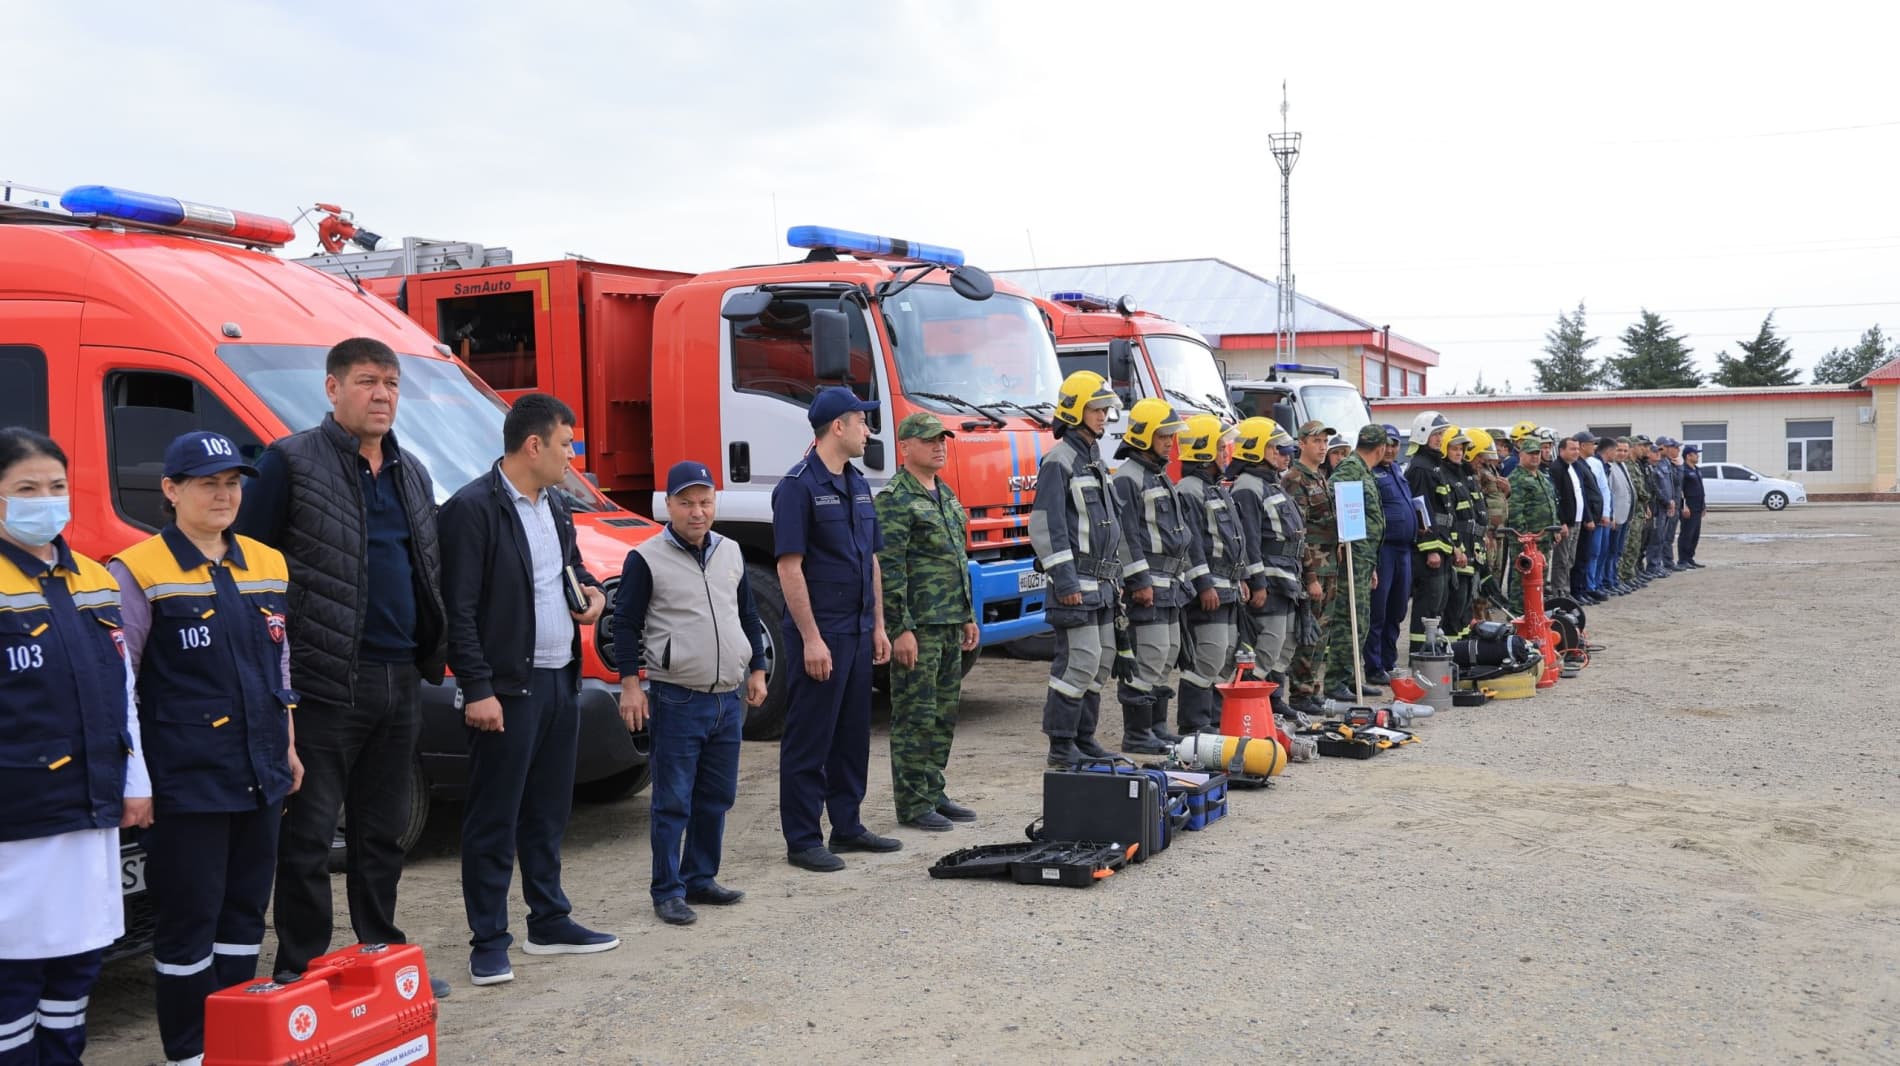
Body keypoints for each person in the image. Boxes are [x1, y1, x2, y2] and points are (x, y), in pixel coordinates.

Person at [234, 337, 450, 998]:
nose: (382, 394)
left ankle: (379, 954)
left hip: (398, 678)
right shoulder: (290, 463)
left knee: (381, 833)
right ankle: (300, 969)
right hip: (325, 681)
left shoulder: (411, 470)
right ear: (333, 390)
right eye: (366, 381)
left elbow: (425, 568)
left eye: (390, 382)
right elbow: (251, 569)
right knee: (307, 838)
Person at [109, 431, 299, 1063]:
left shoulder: (268, 562)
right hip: (187, 779)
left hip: (262, 769)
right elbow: (120, 686)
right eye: (207, 483)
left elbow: (282, 669)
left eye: (233, 483)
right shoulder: (137, 569)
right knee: (191, 920)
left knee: (245, 915)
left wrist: (291, 750)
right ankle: (190, 1051)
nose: (224, 495)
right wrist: (135, 780)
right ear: (170, 490)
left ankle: (238, 1042)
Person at [438, 394, 617, 983]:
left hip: (559, 678)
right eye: (567, 444)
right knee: (494, 816)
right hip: (506, 689)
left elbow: (569, 570)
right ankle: (488, 939)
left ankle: (549, 920)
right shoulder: (472, 509)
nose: (574, 457)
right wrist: (478, 687)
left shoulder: (557, 506)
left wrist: (590, 593)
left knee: (546, 811)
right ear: (534, 445)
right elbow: (457, 612)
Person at [0, 428, 152, 1065]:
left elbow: (122, 693)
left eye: (56, 486)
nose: (46, 500)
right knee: (15, 969)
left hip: (92, 807)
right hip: (19, 815)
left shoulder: (93, 579)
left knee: (79, 960)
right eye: (26, 489)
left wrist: (136, 781)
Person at [615, 460, 767, 925]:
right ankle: (667, 890)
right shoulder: (645, 558)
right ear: (668, 506)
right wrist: (630, 686)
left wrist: (757, 668)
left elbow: (747, 613)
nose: (697, 511)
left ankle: (700, 877)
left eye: (705, 501)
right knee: (672, 800)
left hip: (729, 695)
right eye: (686, 502)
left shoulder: (731, 552)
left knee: (716, 796)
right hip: (677, 696)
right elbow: (626, 623)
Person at [773, 387, 899, 872]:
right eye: (861, 421)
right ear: (837, 427)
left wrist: (879, 626)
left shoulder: (859, 484)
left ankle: (847, 825)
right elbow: (789, 568)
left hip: (858, 630)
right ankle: (803, 838)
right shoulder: (798, 486)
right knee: (810, 737)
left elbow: (870, 560)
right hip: (820, 633)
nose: (869, 430)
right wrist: (810, 638)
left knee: (851, 736)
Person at [873, 414, 981, 828]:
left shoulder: (945, 493)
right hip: (919, 626)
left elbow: (958, 558)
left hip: (950, 621)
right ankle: (914, 803)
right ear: (905, 447)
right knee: (915, 716)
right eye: (929, 440)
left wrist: (968, 616)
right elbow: (891, 567)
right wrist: (900, 628)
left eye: (942, 440)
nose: (939, 446)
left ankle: (933, 790)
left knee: (942, 714)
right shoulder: (896, 499)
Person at [1030, 372, 1126, 765]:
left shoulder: (1093, 459)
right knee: (1079, 661)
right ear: (1075, 411)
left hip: (1100, 584)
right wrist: (1065, 580)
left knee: (1100, 662)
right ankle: (1061, 744)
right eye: (1097, 409)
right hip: (1076, 584)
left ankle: (1084, 739)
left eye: (1105, 409)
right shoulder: (1059, 461)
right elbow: (1046, 527)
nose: (1104, 416)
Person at [1105, 400, 1192, 755]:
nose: (1170, 440)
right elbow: (1126, 535)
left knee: (1166, 653)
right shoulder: (1127, 477)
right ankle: (1138, 734)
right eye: (1163, 434)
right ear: (1143, 435)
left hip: (1169, 584)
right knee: (1149, 655)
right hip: (1150, 584)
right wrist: (1138, 580)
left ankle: (1156, 727)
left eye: (1171, 434)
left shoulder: (1154, 474)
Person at [1174, 415, 1252, 732]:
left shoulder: (1215, 489)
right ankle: (1193, 723)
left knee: (1224, 657)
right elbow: (1191, 544)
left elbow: (1236, 538)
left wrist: (1243, 577)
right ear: (1203, 450)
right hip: (1210, 591)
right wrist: (1204, 585)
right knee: (1208, 656)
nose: (1226, 453)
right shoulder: (1190, 490)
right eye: (1221, 447)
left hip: (1228, 587)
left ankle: (1216, 719)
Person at [1227, 418, 1302, 718]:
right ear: (1256, 448)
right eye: (1278, 448)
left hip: (1285, 577)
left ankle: (1272, 698)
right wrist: (1257, 581)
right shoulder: (1247, 487)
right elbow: (1250, 539)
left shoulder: (1270, 483)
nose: (1285, 454)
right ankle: (1250, 701)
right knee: (1268, 642)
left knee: (1285, 643)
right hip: (1269, 579)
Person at [1323, 425, 1385, 700]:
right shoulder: (1350, 469)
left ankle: (1350, 679)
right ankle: (1336, 681)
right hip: (1350, 557)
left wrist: (1371, 566)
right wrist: (1337, 539)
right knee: (1349, 621)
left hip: (1363, 559)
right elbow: (1329, 501)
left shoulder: (1364, 471)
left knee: (1360, 620)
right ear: (1380, 448)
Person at [1281, 420, 1336, 712]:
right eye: (1317, 441)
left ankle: (1314, 687)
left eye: (1325, 442)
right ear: (1301, 443)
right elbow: (1297, 530)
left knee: (1323, 632)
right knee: (1308, 631)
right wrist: (1309, 577)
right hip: (1312, 567)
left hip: (1331, 566)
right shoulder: (1295, 479)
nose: (1323, 447)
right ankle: (1300, 693)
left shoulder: (1320, 477)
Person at [1403, 411, 1458, 658]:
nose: (1440, 439)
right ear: (1423, 435)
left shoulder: (1433, 464)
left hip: (1442, 544)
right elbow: (1420, 510)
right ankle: (1420, 652)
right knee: (1428, 604)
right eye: (1436, 434)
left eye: (1442, 434)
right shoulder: (1421, 468)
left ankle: (1431, 647)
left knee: (1439, 603)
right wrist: (1431, 548)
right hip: (1430, 550)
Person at [1366, 424, 1414, 684]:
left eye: (1395, 444)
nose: (1391, 449)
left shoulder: (1396, 470)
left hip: (1404, 550)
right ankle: (1373, 666)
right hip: (1383, 549)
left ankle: (1388, 661)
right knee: (1379, 610)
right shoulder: (1370, 473)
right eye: (1387, 443)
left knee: (1397, 609)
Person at [1504, 436, 1560, 613]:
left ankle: (1535, 613)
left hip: (1543, 539)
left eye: (1537, 453)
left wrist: (1555, 527)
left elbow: (1551, 503)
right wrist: (1523, 537)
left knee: (1540, 579)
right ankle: (1518, 616)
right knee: (1522, 580)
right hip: (1526, 542)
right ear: (1521, 454)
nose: (1535, 457)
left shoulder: (1541, 477)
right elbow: (1514, 511)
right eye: (1531, 453)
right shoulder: (1516, 479)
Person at [1567, 432, 1606, 604]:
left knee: (1585, 555)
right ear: (1583, 446)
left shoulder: (1584, 464)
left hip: (1590, 518)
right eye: (1592, 444)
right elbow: (1583, 495)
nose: (1595, 447)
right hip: (1583, 519)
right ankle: (1577, 590)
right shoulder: (1577, 466)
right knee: (1580, 557)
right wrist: (1588, 517)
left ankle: (1582, 589)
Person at [1549, 435, 1587, 602]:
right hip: (1566, 522)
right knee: (1561, 559)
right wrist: (1561, 522)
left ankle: (1566, 590)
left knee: (1570, 558)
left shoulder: (1573, 467)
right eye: (1572, 449)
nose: (1576, 452)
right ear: (1561, 450)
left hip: (1576, 520)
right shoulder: (1557, 468)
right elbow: (1557, 498)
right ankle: (1559, 592)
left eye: (1578, 449)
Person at [1602, 438, 1637, 596]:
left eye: (1625, 451)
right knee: (1610, 551)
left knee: (1618, 551)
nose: (1622, 454)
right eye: (1619, 450)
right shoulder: (1610, 467)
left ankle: (1615, 579)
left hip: (1626, 515)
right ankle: (1608, 581)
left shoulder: (1623, 466)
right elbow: (1609, 493)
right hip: (1615, 517)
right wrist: (1612, 515)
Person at [1653, 436, 1685, 574]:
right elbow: (1658, 486)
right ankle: (1659, 564)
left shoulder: (1668, 462)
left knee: (1668, 536)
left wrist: (1679, 467)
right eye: (1674, 447)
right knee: (1660, 537)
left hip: (1673, 504)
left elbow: (1677, 482)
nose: (1677, 450)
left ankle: (1666, 562)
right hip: (1663, 505)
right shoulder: (1658, 462)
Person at [1678, 444, 1706, 568]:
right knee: (1687, 533)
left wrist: (1704, 505)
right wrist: (1684, 506)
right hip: (1688, 507)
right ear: (1688, 456)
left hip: (1698, 506)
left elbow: (1700, 488)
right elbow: (1680, 490)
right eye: (1696, 454)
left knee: (1695, 534)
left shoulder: (1696, 469)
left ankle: (1690, 558)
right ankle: (1682, 560)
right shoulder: (1683, 470)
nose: (1698, 456)